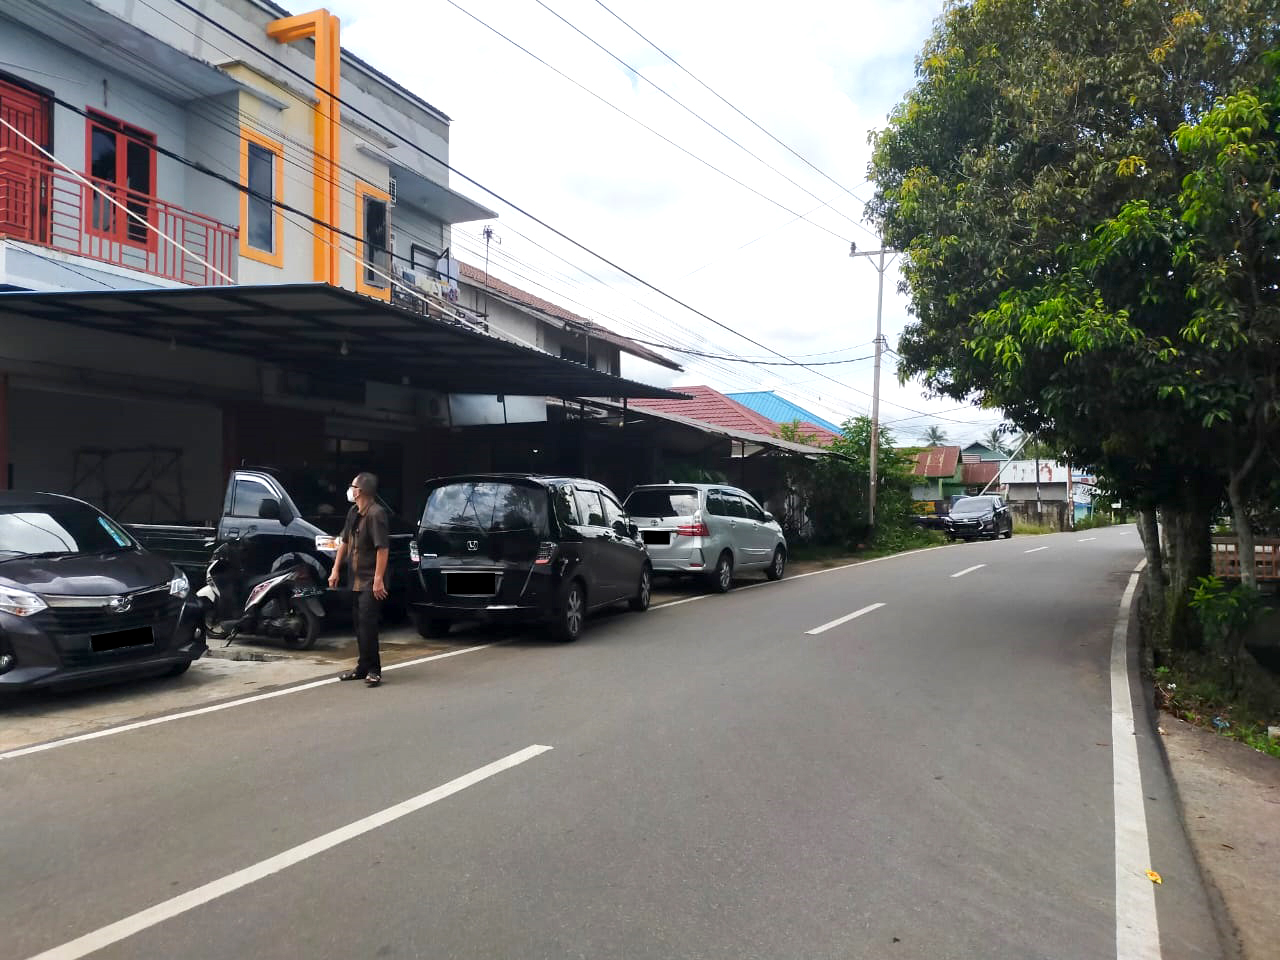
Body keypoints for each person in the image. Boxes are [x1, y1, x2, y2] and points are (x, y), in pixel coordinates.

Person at [330, 472, 390, 687]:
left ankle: (374, 670)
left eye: (352, 486)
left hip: (370, 580)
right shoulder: (353, 512)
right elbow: (345, 541)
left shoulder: (376, 514)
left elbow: (382, 548)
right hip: (354, 579)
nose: (350, 490)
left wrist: (378, 579)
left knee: (368, 625)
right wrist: (335, 569)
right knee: (358, 624)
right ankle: (362, 666)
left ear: (360, 491)